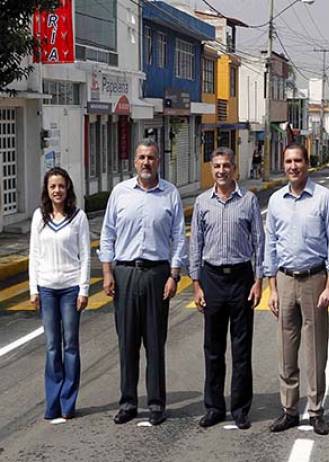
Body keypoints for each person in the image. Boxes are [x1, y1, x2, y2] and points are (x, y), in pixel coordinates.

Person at [99, 139, 187, 426]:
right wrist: (108, 272)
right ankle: (127, 403)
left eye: (151, 157)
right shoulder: (120, 193)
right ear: (134, 162)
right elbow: (107, 234)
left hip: (157, 275)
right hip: (124, 274)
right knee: (127, 343)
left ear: (158, 161)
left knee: (154, 342)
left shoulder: (170, 194)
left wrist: (174, 275)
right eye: (141, 157)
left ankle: (156, 403)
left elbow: (178, 237)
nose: (146, 162)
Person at [264, 143, 329, 436]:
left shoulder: (324, 198)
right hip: (284, 281)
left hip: (315, 281)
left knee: (315, 351)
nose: (293, 166)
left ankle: (315, 410)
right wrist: (271, 288)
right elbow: (270, 246)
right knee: (286, 350)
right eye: (288, 161)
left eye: (298, 160)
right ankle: (289, 410)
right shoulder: (275, 201)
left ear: (307, 164)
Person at [189, 147, 264, 430]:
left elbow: (259, 241)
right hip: (212, 280)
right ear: (211, 169)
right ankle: (214, 407)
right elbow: (195, 244)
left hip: (242, 278)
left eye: (227, 166)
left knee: (241, 349)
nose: (222, 170)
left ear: (235, 169)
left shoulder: (249, 201)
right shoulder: (201, 203)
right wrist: (196, 284)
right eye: (217, 166)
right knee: (213, 348)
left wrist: (259, 281)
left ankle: (241, 408)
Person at [29, 167, 90, 423]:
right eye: (53, 186)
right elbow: (34, 254)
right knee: (53, 347)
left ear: (68, 189)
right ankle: (52, 403)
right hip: (46, 289)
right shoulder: (38, 217)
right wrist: (33, 289)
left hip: (70, 289)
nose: (57, 191)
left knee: (70, 346)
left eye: (61, 186)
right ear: (47, 190)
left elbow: (85, 255)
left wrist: (84, 288)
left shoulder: (78, 217)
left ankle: (68, 403)